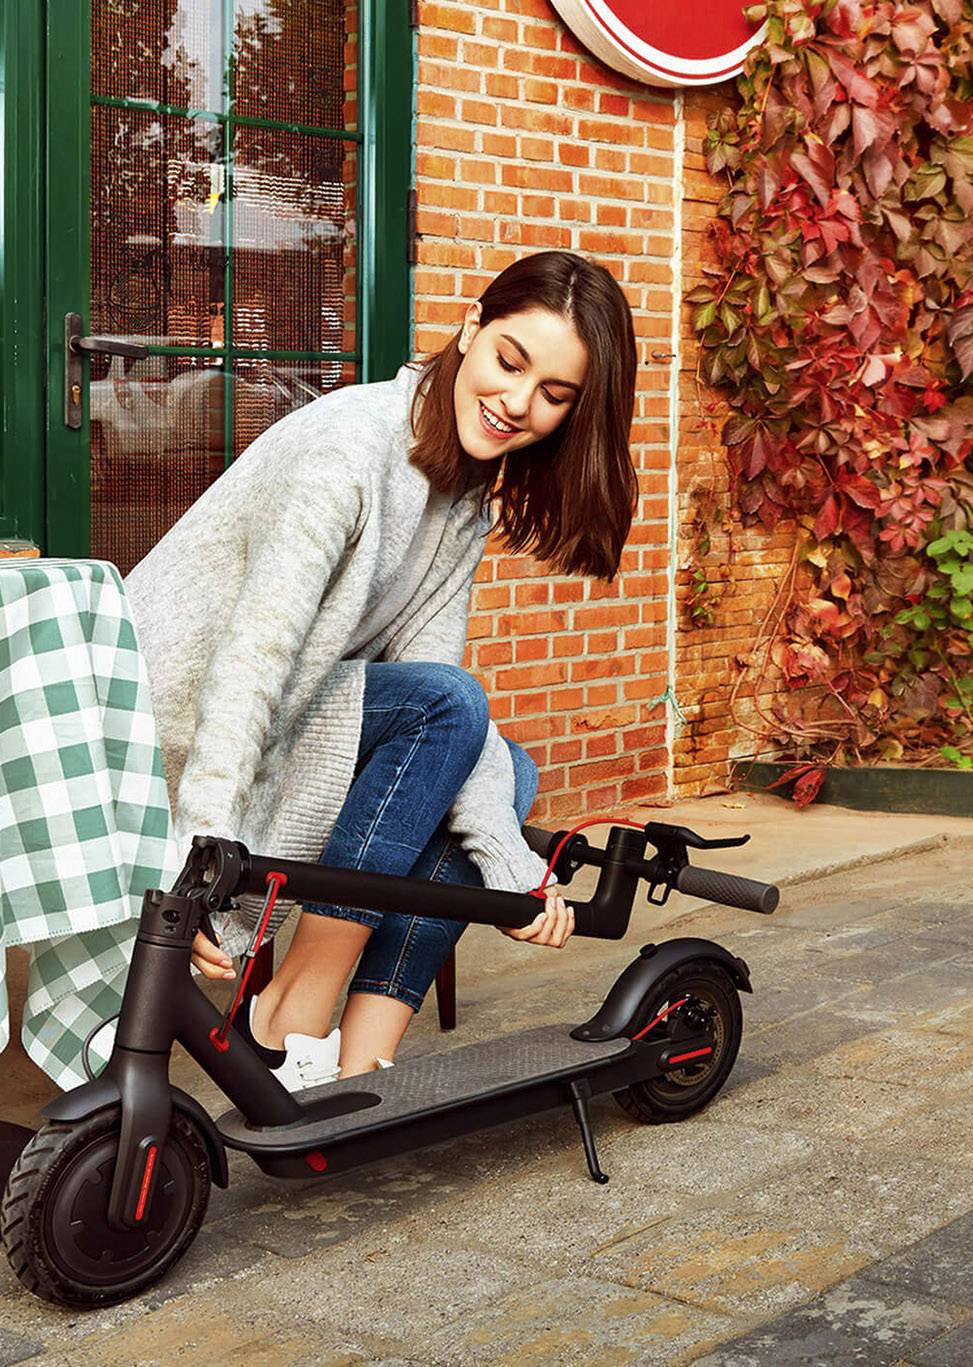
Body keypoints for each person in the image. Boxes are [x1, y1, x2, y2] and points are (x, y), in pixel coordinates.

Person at [123, 250, 639, 1088]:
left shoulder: (464, 495)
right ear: (471, 327)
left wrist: (515, 870)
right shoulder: (348, 449)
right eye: (510, 362)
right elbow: (253, 657)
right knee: (451, 712)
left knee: (505, 772)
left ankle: (364, 1057)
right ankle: (291, 1008)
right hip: (179, 717)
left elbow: (440, 687)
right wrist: (199, 846)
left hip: (296, 708)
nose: (517, 404)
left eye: (554, 395)